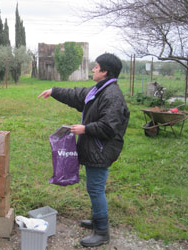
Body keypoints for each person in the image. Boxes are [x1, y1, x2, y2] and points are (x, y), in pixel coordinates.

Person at [38, 53, 130, 247]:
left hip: (102, 150)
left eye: (96, 67)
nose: (93, 69)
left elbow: (109, 127)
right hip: (96, 148)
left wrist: (85, 129)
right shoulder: (99, 90)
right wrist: (54, 91)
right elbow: (77, 95)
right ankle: (97, 221)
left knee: (96, 189)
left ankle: (102, 232)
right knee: (94, 187)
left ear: (105, 71)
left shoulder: (112, 95)